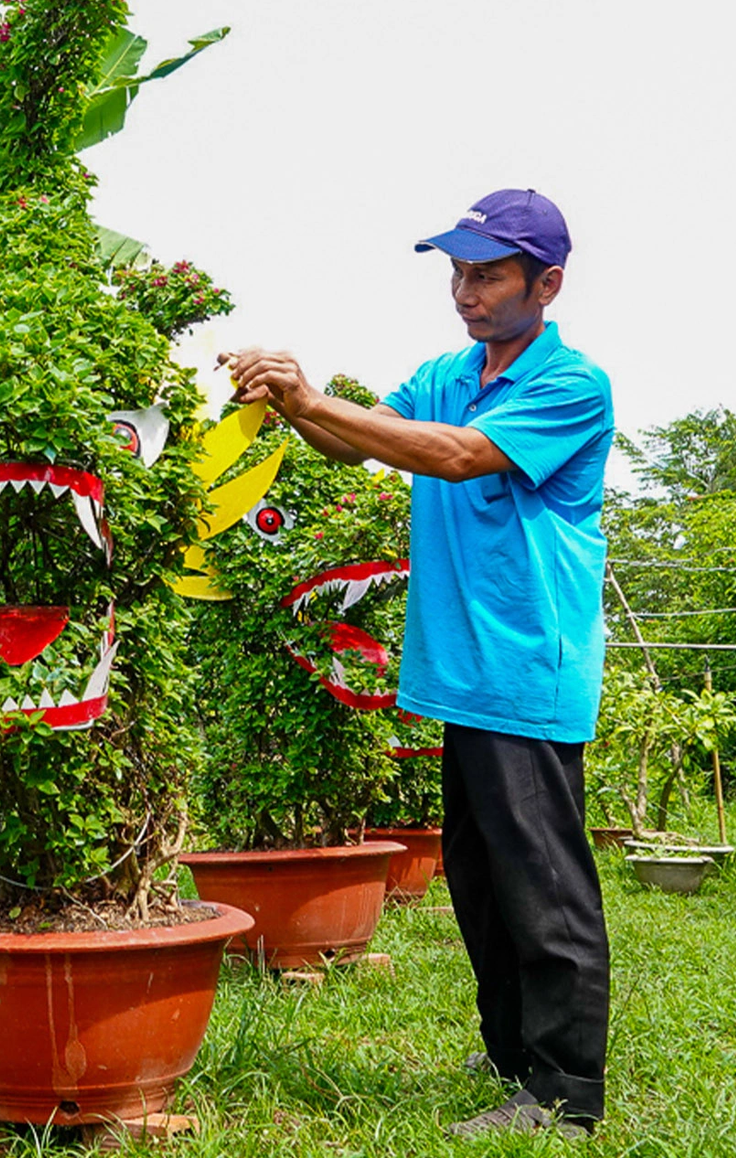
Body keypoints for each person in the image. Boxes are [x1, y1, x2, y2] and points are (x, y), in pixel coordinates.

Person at [221, 188, 612, 1139]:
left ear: (546, 283)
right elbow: (362, 444)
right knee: (481, 883)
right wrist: (288, 399)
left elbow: (451, 456)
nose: (463, 291)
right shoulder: (448, 372)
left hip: (525, 671)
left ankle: (565, 1094)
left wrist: (317, 399)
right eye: (457, 273)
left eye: (486, 275)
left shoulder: (571, 384)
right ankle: (513, 1049)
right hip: (461, 673)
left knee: (544, 887)